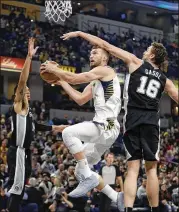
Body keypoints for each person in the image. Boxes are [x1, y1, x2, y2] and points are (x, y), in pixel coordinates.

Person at [61, 31, 178, 212]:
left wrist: (80, 33)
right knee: (151, 170)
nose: (145, 51)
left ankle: (128, 209)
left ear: (152, 55)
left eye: (148, 49)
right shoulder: (165, 80)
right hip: (152, 122)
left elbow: (105, 45)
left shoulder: (135, 62)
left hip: (132, 119)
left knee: (132, 169)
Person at [40, 46, 124, 210]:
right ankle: (115, 196)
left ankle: (88, 177)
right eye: (90, 52)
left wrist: (56, 70)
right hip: (106, 130)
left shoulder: (105, 70)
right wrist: (62, 81)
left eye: (95, 53)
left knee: (68, 133)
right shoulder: (96, 80)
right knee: (80, 169)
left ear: (105, 58)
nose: (91, 55)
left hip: (107, 124)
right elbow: (80, 99)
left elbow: (77, 78)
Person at [6, 38, 67, 212]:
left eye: (28, 91)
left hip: (24, 153)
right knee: (17, 190)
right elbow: (22, 80)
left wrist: (58, 128)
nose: (28, 92)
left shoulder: (29, 113)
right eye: (26, 91)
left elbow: (39, 127)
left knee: (20, 188)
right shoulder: (19, 106)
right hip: (17, 151)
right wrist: (29, 57)